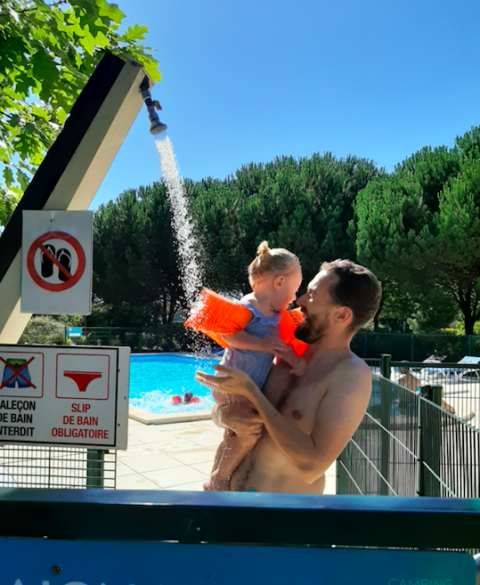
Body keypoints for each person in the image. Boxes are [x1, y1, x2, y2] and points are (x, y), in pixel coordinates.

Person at [196, 259, 382, 494]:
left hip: (279, 521)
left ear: (341, 315)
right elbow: (227, 413)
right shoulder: (284, 352)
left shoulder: (350, 374)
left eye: (312, 296)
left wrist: (252, 393)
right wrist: (223, 414)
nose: (299, 301)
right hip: (229, 503)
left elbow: (311, 466)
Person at [202, 242, 307, 491]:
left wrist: (294, 361)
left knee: (234, 434)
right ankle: (220, 477)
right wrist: (261, 343)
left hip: (244, 385)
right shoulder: (248, 307)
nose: (294, 298)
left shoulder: (276, 314)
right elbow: (227, 336)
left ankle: (213, 480)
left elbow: (279, 346)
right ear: (278, 283)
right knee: (250, 431)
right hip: (232, 382)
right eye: (294, 291)